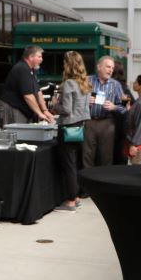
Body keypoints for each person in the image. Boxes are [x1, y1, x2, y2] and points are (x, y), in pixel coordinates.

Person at [52, 51, 91, 212]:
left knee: (68, 165)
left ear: (68, 65)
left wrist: (55, 105)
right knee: (75, 164)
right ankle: (75, 197)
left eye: (64, 62)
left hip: (68, 127)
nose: (62, 64)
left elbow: (66, 109)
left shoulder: (68, 84)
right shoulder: (84, 83)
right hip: (81, 127)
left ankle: (70, 201)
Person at [83, 55, 128, 167]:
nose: (110, 70)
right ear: (99, 67)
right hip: (89, 122)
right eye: (108, 67)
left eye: (112, 68)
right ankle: (87, 182)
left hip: (107, 123)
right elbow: (76, 102)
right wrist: (85, 102)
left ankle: (103, 181)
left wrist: (114, 107)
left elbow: (124, 109)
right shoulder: (87, 81)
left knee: (106, 157)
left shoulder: (116, 85)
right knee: (87, 155)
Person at [0, 45, 54, 126]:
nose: (41, 59)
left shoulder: (30, 70)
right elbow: (28, 96)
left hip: (19, 109)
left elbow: (38, 91)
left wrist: (45, 110)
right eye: (39, 57)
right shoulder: (22, 68)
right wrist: (39, 113)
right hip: (12, 108)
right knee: (16, 136)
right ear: (31, 57)